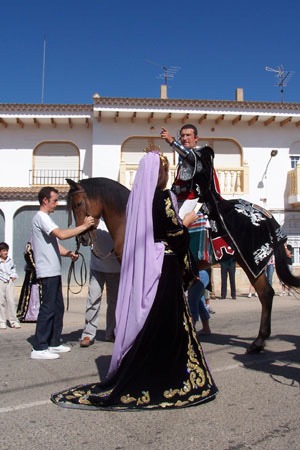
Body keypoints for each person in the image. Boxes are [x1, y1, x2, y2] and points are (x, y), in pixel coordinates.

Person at [51, 151, 218, 409]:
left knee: (151, 320)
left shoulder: (136, 203)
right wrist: (186, 222)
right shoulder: (163, 198)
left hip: (150, 265)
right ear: (160, 175)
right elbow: (175, 234)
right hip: (167, 265)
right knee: (169, 321)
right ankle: (167, 371)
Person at [30, 186, 95, 360]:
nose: (56, 204)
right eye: (54, 200)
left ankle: (53, 342)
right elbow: (61, 235)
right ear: (45, 200)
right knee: (48, 308)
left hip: (54, 270)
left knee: (57, 307)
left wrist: (68, 253)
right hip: (47, 271)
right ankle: (40, 347)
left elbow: (54, 244)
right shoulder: (41, 217)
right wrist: (84, 226)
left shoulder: (45, 219)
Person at [79, 222, 121, 347]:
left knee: (113, 303)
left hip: (115, 269)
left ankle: (111, 332)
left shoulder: (115, 217)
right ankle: (88, 334)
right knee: (93, 300)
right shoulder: (94, 220)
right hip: (97, 267)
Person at [0, 242, 20, 329]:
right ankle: (2, 321)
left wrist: (13, 276)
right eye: (4, 251)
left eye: (7, 251)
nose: (6, 253)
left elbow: (13, 269)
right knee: (1, 302)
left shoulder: (9, 260)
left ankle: (13, 321)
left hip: (9, 282)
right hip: (1, 282)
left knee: (11, 302)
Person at [188, 269, 211, 334]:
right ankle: (206, 328)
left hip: (198, 274)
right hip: (201, 274)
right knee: (200, 302)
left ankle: (191, 330)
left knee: (193, 301)